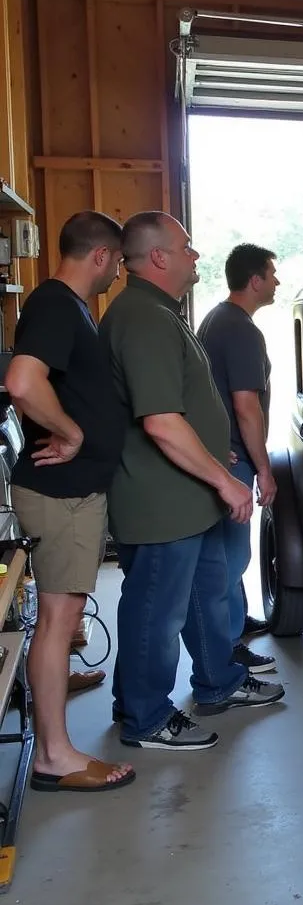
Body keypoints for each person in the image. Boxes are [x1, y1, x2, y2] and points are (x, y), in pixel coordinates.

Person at [100, 211, 285, 751]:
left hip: (188, 494)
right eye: (187, 247)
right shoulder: (143, 318)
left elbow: (180, 405)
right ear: (158, 256)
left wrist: (212, 451)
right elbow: (159, 421)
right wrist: (228, 482)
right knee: (156, 612)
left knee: (204, 594)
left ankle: (218, 682)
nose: (196, 256)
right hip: (162, 502)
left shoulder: (163, 312)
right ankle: (145, 716)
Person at [4, 211, 134, 792]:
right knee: (59, 621)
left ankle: (52, 704)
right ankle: (55, 756)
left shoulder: (67, 305)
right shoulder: (58, 303)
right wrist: (75, 432)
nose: (118, 273)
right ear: (102, 256)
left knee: (61, 621)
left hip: (71, 492)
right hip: (62, 492)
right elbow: (22, 382)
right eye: (119, 262)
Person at [197, 244, 279, 671]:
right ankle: (227, 648)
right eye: (272, 274)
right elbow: (246, 405)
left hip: (220, 450)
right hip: (234, 457)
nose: (277, 282)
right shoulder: (243, 331)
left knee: (227, 555)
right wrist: (264, 469)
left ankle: (234, 623)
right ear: (255, 281)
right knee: (231, 558)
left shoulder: (216, 318)